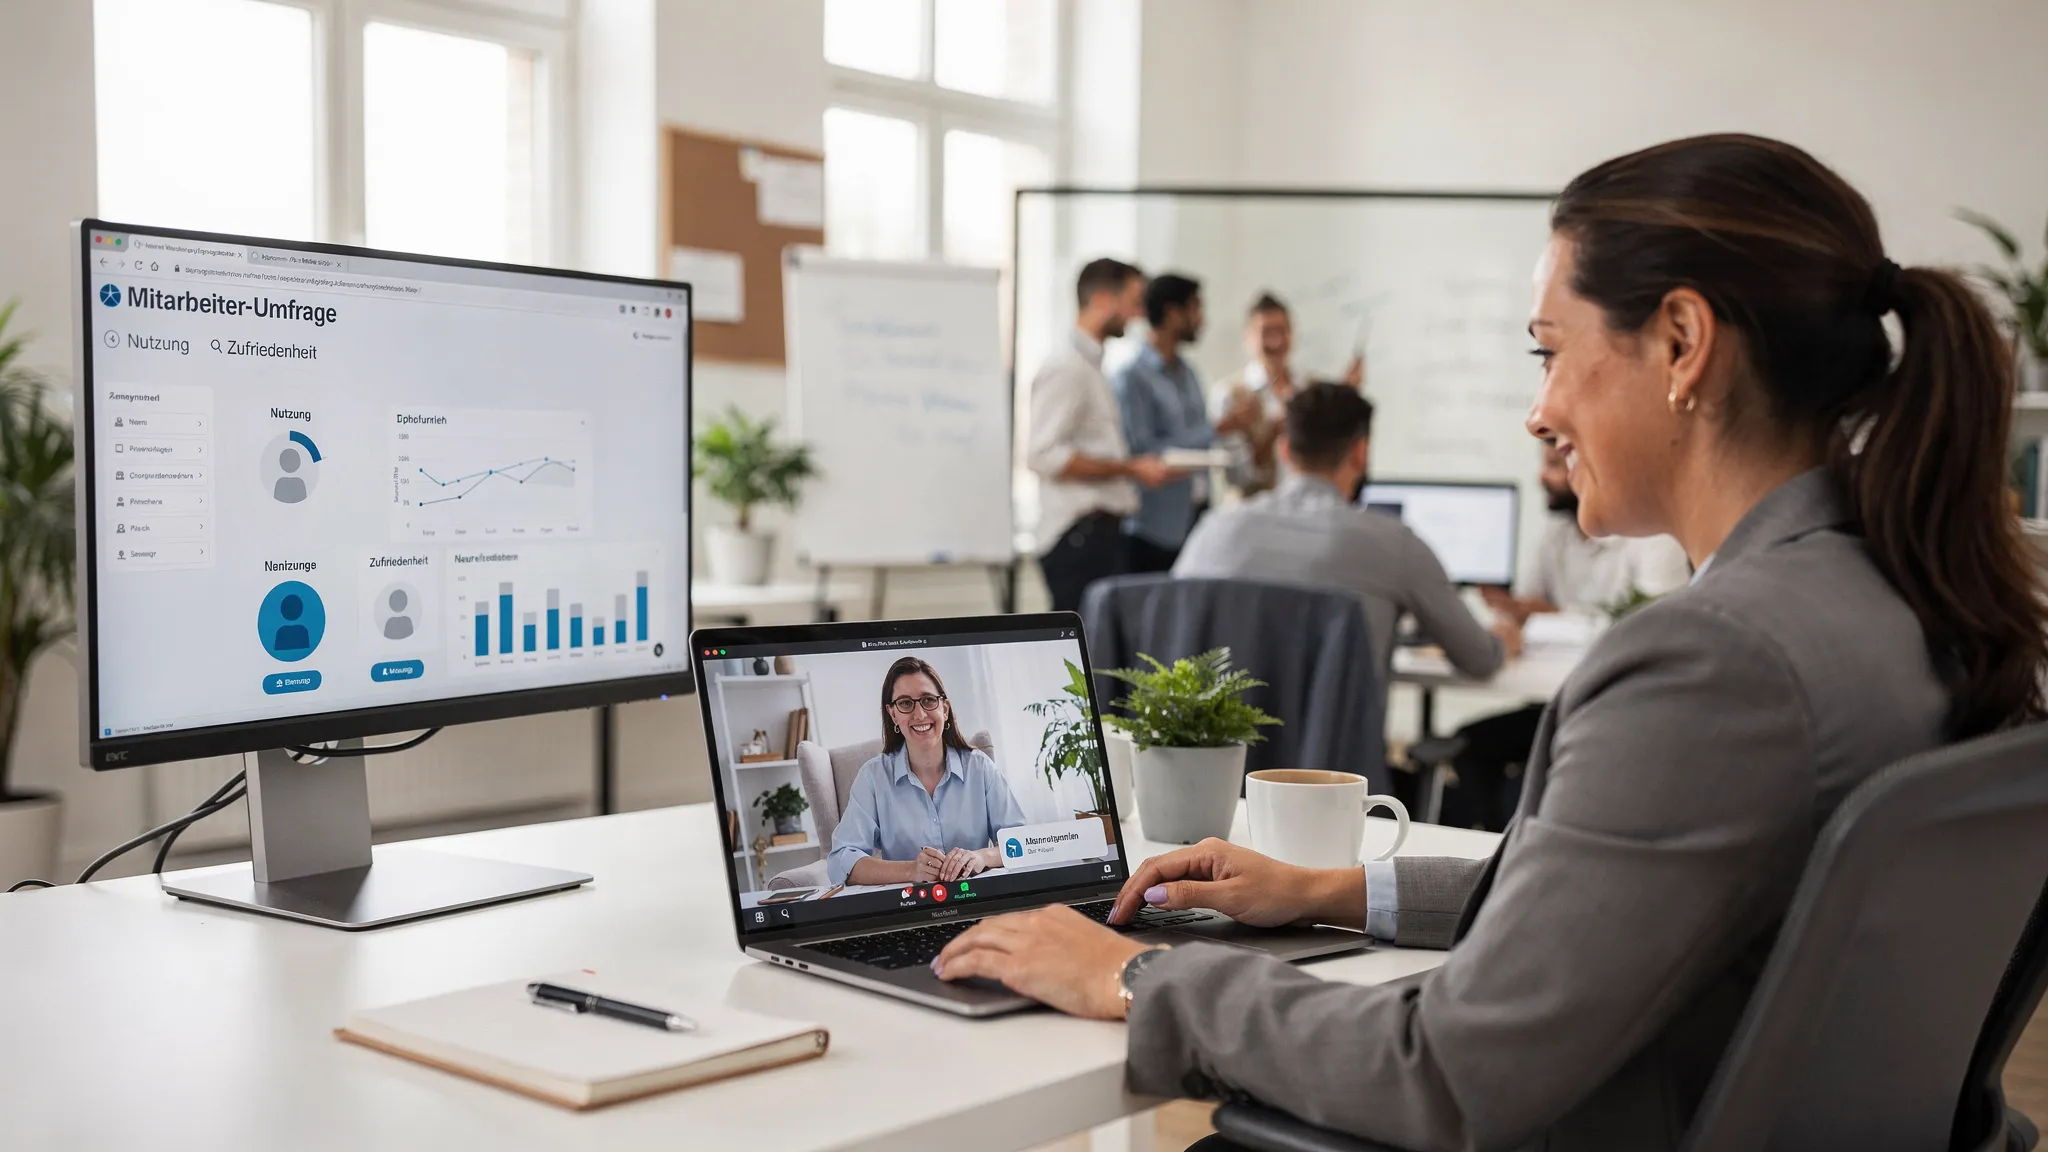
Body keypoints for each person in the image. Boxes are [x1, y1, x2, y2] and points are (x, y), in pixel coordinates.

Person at [930, 134, 2048, 1151]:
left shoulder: (1716, 664)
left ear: (1679, 343)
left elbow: (1447, 1073)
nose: (1538, 411)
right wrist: (1327, 890)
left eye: (1548, 352)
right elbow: (1625, 912)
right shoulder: (1919, 606)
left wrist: (1140, 977)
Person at [1172, 382, 1509, 688]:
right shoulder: (1394, 544)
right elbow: (1480, 659)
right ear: (1360, 452)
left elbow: (1170, 645)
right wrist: (1504, 636)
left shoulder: (1213, 530)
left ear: (1285, 449)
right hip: (1333, 756)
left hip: (1220, 752)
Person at [1441, 441, 1692, 829]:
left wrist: (1541, 614)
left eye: (1557, 464)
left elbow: (1646, 630)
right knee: (1469, 746)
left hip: (1614, 709)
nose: (1545, 476)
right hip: (1553, 701)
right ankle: (1493, 863)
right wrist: (1512, 616)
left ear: (1593, 468)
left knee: (1526, 783)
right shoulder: (1555, 534)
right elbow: (1524, 613)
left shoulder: (1656, 539)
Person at [1028, 258, 1181, 612]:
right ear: (1100, 299)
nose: (1138, 313)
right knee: (1086, 661)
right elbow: (1042, 455)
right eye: (1133, 300)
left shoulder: (1092, 366)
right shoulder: (1066, 367)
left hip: (1099, 537)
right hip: (1078, 539)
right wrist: (1130, 469)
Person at [827, 657, 1029, 887]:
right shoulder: (873, 777)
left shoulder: (979, 768)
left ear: (944, 708)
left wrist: (981, 857)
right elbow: (841, 861)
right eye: (905, 703)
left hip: (977, 903)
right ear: (893, 714)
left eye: (928, 700)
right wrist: (910, 870)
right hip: (909, 911)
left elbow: (1022, 842)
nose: (920, 714)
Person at [1114, 273, 1261, 573]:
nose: (1201, 319)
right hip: (1154, 528)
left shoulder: (1189, 373)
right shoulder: (1132, 377)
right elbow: (1142, 452)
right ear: (1172, 313)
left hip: (1196, 518)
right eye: (1195, 308)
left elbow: (1199, 438)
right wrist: (1217, 429)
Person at [1210, 293, 1365, 497]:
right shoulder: (1230, 393)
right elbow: (1237, 478)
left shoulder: (1311, 388)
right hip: (1255, 516)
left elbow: (1331, 452)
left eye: (1282, 331)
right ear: (1248, 337)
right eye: (1266, 332)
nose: (1276, 341)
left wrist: (1346, 395)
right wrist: (1274, 430)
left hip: (1308, 510)